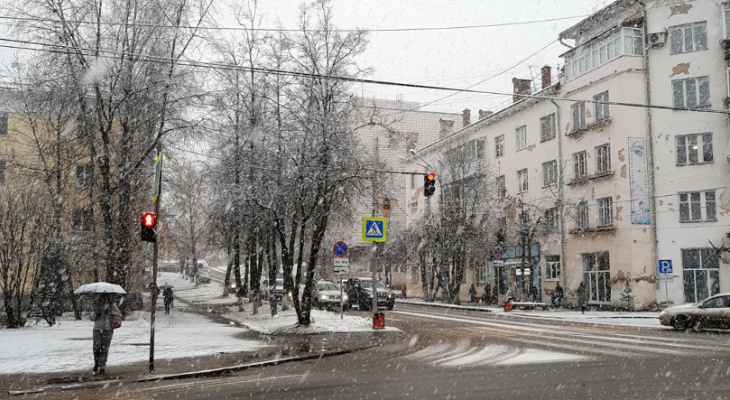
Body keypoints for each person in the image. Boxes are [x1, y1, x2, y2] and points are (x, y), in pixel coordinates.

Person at [90, 293, 121, 376]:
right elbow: (91, 317)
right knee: (96, 348)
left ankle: (102, 365)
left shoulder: (112, 305)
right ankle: (96, 363)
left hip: (108, 329)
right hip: (97, 329)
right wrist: (96, 314)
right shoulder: (97, 305)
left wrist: (111, 313)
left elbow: (118, 314)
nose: (104, 297)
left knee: (104, 348)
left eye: (106, 296)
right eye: (102, 296)